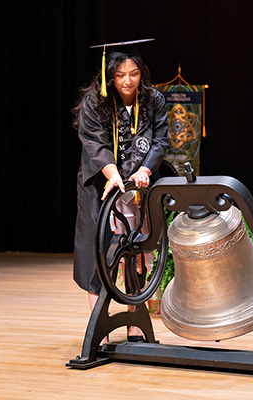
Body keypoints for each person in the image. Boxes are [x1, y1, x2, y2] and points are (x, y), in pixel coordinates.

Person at [71, 40, 169, 342]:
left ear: (142, 73)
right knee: (97, 251)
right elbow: (94, 141)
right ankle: (97, 327)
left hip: (137, 185)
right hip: (99, 185)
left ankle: (135, 325)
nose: (127, 81)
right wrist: (113, 174)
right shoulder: (95, 101)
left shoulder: (153, 100)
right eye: (120, 75)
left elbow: (160, 141)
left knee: (135, 249)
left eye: (134, 73)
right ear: (109, 76)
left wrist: (145, 170)